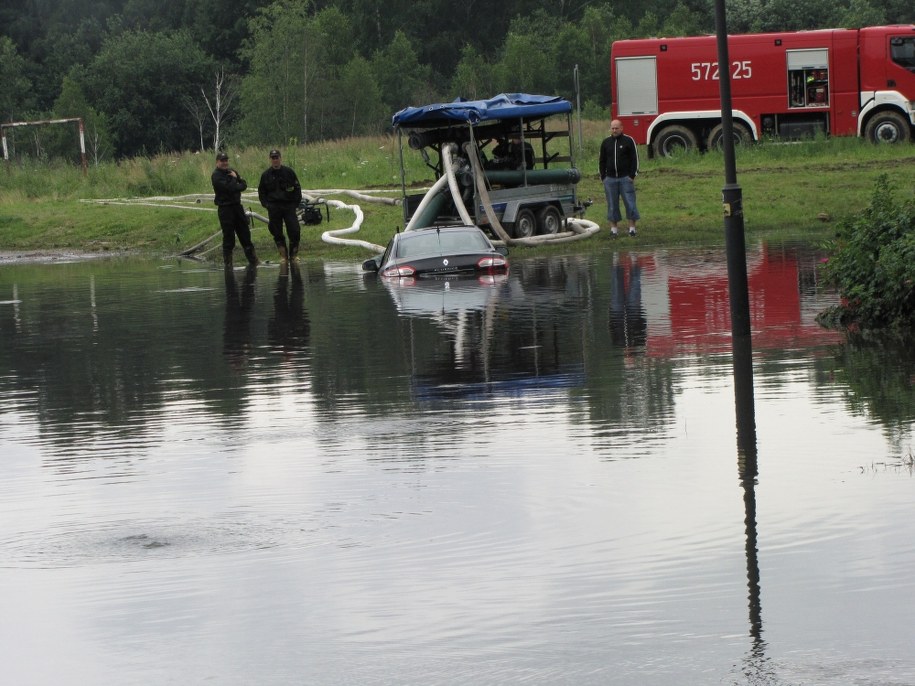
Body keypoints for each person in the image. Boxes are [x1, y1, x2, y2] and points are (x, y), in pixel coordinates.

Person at [211, 151, 259, 267]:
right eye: (222, 161)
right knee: (229, 237)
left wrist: (236, 180)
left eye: (226, 160)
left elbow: (243, 185)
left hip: (237, 207)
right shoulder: (216, 175)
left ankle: (254, 262)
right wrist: (235, 179)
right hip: (225, 209)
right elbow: (230, 188)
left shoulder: (232, 172)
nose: (225, 163)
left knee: (245, 235)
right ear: (217, 162)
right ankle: (228, 265)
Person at [258, 149, 303, 262]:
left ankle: (293, 256)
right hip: (274, 207)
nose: (275, 160)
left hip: (288, 206)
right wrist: (266, 205)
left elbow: (297, 189)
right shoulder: (265, 175)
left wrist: (295, 204)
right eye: (273, 158)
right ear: (270, 159)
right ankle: (283, 256)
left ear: (280, 158)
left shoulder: (289, 172)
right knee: (276, 231)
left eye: (277, 157)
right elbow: (261, 192)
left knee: (294, 230)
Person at [599, 119, 640, 237]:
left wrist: (632, 175)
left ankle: (632, 229)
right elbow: (601, 161)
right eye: (612, 128)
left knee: (630, 203)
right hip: (610, 179)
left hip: (625, 179)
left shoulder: (628, 140)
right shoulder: (606, 142)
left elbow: (635, 159)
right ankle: (614, 230)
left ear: (622, 128)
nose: (614, 130)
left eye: (616, 128)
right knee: (612, 205)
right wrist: (603, 177)